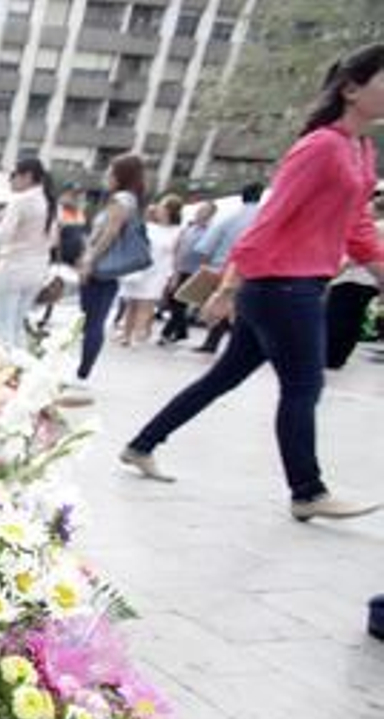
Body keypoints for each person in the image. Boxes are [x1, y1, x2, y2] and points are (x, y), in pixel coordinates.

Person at [121, 44, 384, 522]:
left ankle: (141, 444)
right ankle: (307, 491)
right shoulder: (321, 146)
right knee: (303, 386)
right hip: (284, 286)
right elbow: (270, 219)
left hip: (296, 284)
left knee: (224, 376)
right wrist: (228, 287)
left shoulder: (361, 151)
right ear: (351, 89)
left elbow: (358, 225)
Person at [70, 153, 147, 389]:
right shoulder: (131, 199)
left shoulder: (121, 200)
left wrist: (89, 260)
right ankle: (83, 370)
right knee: (93, 319)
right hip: (107, 270)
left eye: (110, 172)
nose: (107, 176)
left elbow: (109, 233)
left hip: (101, 269)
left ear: (120, 175)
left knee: (93, 321)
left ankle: (83, 372)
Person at [0, 158, 55, 353]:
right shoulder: (49, 202)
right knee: (18, 323)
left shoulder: (21, 201)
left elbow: (3, 236)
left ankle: (5, 362)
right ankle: (21, 362)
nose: (12, 180)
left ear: (28, 176)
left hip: (14, 266)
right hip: (37, 268)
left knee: (3, 323)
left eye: (14, 175)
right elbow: (53, 240)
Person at [191, 182, 266, 354]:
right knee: (243, 309)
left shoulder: (230, 217)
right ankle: (240, 345)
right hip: (255, 269)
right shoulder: (265, 216)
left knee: (221, 304)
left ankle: (211, 342)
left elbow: (205, 246)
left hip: (225, 266)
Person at [325, 183, 384, 369]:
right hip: (364, 280)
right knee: (350, 320)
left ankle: (333, 357)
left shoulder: (375, 227)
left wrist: (334, 273)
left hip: (355, 279)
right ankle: (336, 358)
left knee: (339, 320)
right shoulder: (368, 223)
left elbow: (359, 253)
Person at [118, 196, 183, 346]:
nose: (158, 209)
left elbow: (177, 255)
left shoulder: (177, 231)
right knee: (132, 303)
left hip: (159, 270)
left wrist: (175, 276)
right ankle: (126, 335)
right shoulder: (147, 227)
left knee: (146, 303)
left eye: (162, 206)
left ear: (169, 210)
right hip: (140, 269)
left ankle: (137, 335)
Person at [160, 200, 217, 344]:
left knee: (180, 301)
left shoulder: (211, 231)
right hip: (181, 268)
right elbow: (179, 246)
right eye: (199, 209)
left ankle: (167, 333)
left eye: (204, 210)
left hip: (195, 271)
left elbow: (209, 252)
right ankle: (182, 331)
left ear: (211, 214)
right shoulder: (189, 228)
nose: (199, 212)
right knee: (173, 299)